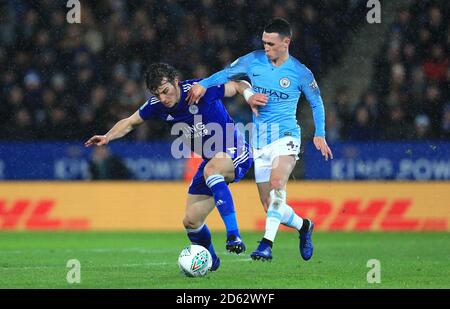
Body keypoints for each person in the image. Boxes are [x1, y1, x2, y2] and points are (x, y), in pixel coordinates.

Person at [187, 18, 333, 261]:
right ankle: (304, 226)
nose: (266, 47)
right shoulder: (253, 60)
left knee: (278, 183)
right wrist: (202, 85)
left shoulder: (300, 72)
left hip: (287, 136)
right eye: (264, 42)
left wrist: (320, 133)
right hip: (260, 142)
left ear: (286, 42)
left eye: (271, 44)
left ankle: (266, 245)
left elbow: (316, 102)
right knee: (269, 205)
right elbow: (227, 74)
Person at [85, 63, 254, 271]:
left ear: (176, 81)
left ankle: (233, 235)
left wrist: (250, 97)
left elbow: (238, 85)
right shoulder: (156, 105)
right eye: (157, 94)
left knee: (211, 170)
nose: (163, 98)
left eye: (165, 91)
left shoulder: (200, 89)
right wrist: (107, 136)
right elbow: (130, 122)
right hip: (211, 160)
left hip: (235, 149)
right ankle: (212, 262)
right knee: (191, 222)